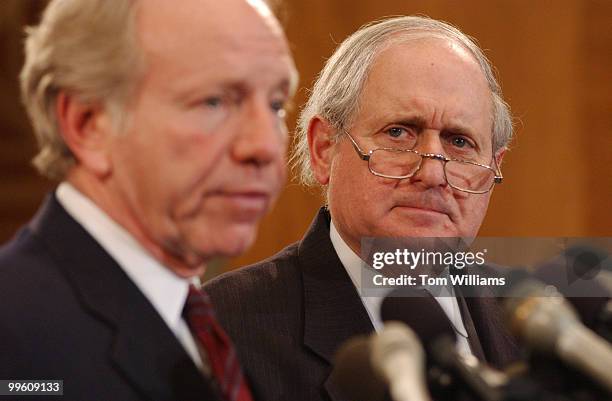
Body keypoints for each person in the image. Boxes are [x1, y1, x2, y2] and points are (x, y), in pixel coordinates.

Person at [205, 16, 520, 401]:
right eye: (400, 133)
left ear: (494, 167)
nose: (433, 173)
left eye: (459, 142)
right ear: (324, 149)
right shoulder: (223, 329)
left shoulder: (542, 323)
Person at [0, 0, 297, 400]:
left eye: (276, 105)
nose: (264, 146)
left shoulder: (218, 325)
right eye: (215, 101)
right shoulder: (13, 336)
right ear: (87, 124)